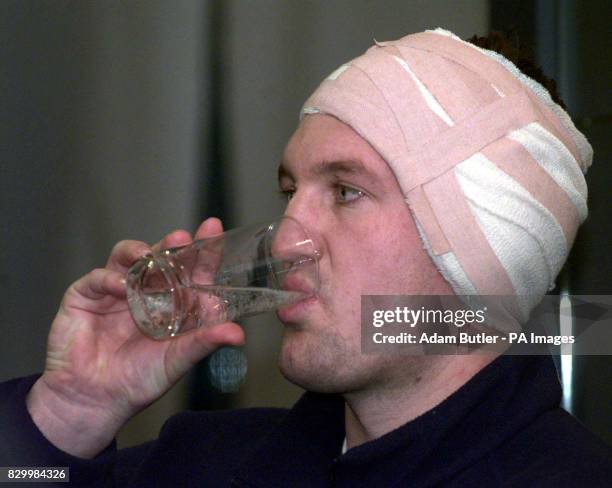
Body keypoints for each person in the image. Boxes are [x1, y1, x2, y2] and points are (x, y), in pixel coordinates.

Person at [1, 28, 611, 487]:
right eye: (291, 191)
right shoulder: (204, 464)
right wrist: (66, 418)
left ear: (482, 257)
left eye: (346, 191)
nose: (286, 240)